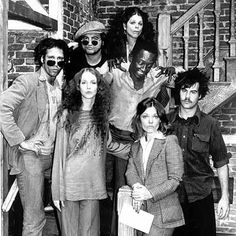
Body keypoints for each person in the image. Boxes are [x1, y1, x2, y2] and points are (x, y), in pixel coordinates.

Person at [103, 39, 177, 236]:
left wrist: (172, 69)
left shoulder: (156, 78)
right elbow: (90, 83)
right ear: (131, 58)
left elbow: (187, 83)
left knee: (142, 194)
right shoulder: (117, 74)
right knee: (121, 194)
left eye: (149, 64)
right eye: (140, 62)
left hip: (140, 143)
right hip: (114, 141)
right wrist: (105, 65)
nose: (143, 69)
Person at [0, 37, 69, 236]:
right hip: (31, 157)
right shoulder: (28, 81)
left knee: (66, 203)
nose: (56, 65)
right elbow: (2, 106)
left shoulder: (59, 86)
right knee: (34, 216)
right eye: (51, 60)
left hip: (52, 155)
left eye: (60, 61)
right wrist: (21, 141)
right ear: (41, 59)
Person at [51, 68, 130, 236]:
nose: (88, 86)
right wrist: (56, 192)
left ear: (98, 87)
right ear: (78, 86)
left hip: (92, 185)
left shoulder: (102, 116)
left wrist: (136, 150)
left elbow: (108, 145)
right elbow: (58, 155)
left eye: (93, 82)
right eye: (84, 82)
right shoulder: (67, 115)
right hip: (69, 185)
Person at [168, 68, 230, 236]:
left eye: (193, 91)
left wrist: (225, 197)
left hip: (201, 197)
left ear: (200, 95)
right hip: (171, 198)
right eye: (184, 90)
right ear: (178, 92)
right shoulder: (166, 122)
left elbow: (221, 162)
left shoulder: (211, 124)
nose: (187, 96)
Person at [126, 97, 185, 236]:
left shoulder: (169, 141)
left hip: (164, 213)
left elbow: (175, 180)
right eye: (145, 116)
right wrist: (137, 188)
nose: (150, 121)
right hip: (141, 212)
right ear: (139, 119)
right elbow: (130, 172)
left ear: (161, 119)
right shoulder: (135, 145)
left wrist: (149, 193)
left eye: (155, 116)